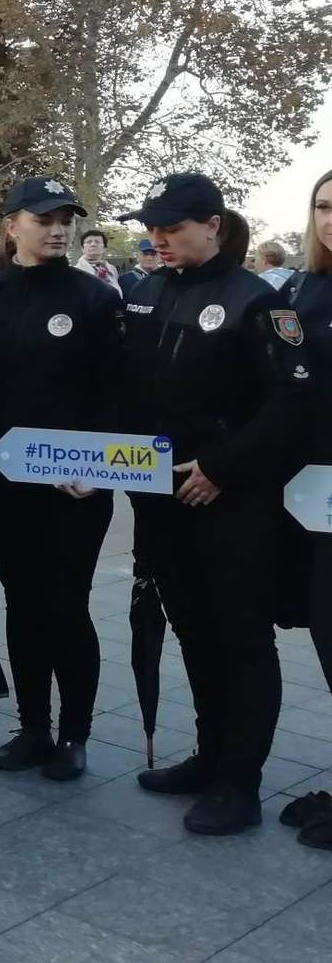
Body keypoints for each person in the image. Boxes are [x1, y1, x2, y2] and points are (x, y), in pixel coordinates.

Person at [117, 173, 316, 835]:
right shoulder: (147, 291)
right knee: (195, 632)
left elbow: (291, 402)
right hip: (162, 497)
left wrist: (224, 468)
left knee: (241, 639)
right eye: (153, 230)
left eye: (171, 229)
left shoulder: (258, 301)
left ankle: (240, 782)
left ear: (212, 224)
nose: (158, 240)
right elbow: (127, 391)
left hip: (233, 501)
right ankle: (209, 758)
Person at [0, 178, 125, 782]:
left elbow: (115, 396)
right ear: (11, 224)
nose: (58, 229)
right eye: (44, 218)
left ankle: (74, 734)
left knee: (66, 606)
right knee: (23, 606)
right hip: (2, 484)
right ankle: (32, 726)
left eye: (66, 219)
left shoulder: (95, 299)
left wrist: (92, 466)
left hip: (75, 486)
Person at [278, 168, 332, 850]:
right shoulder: (303, 287)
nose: (330, 218)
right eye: (323, 206)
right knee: (325, 631)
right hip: (312, 498)